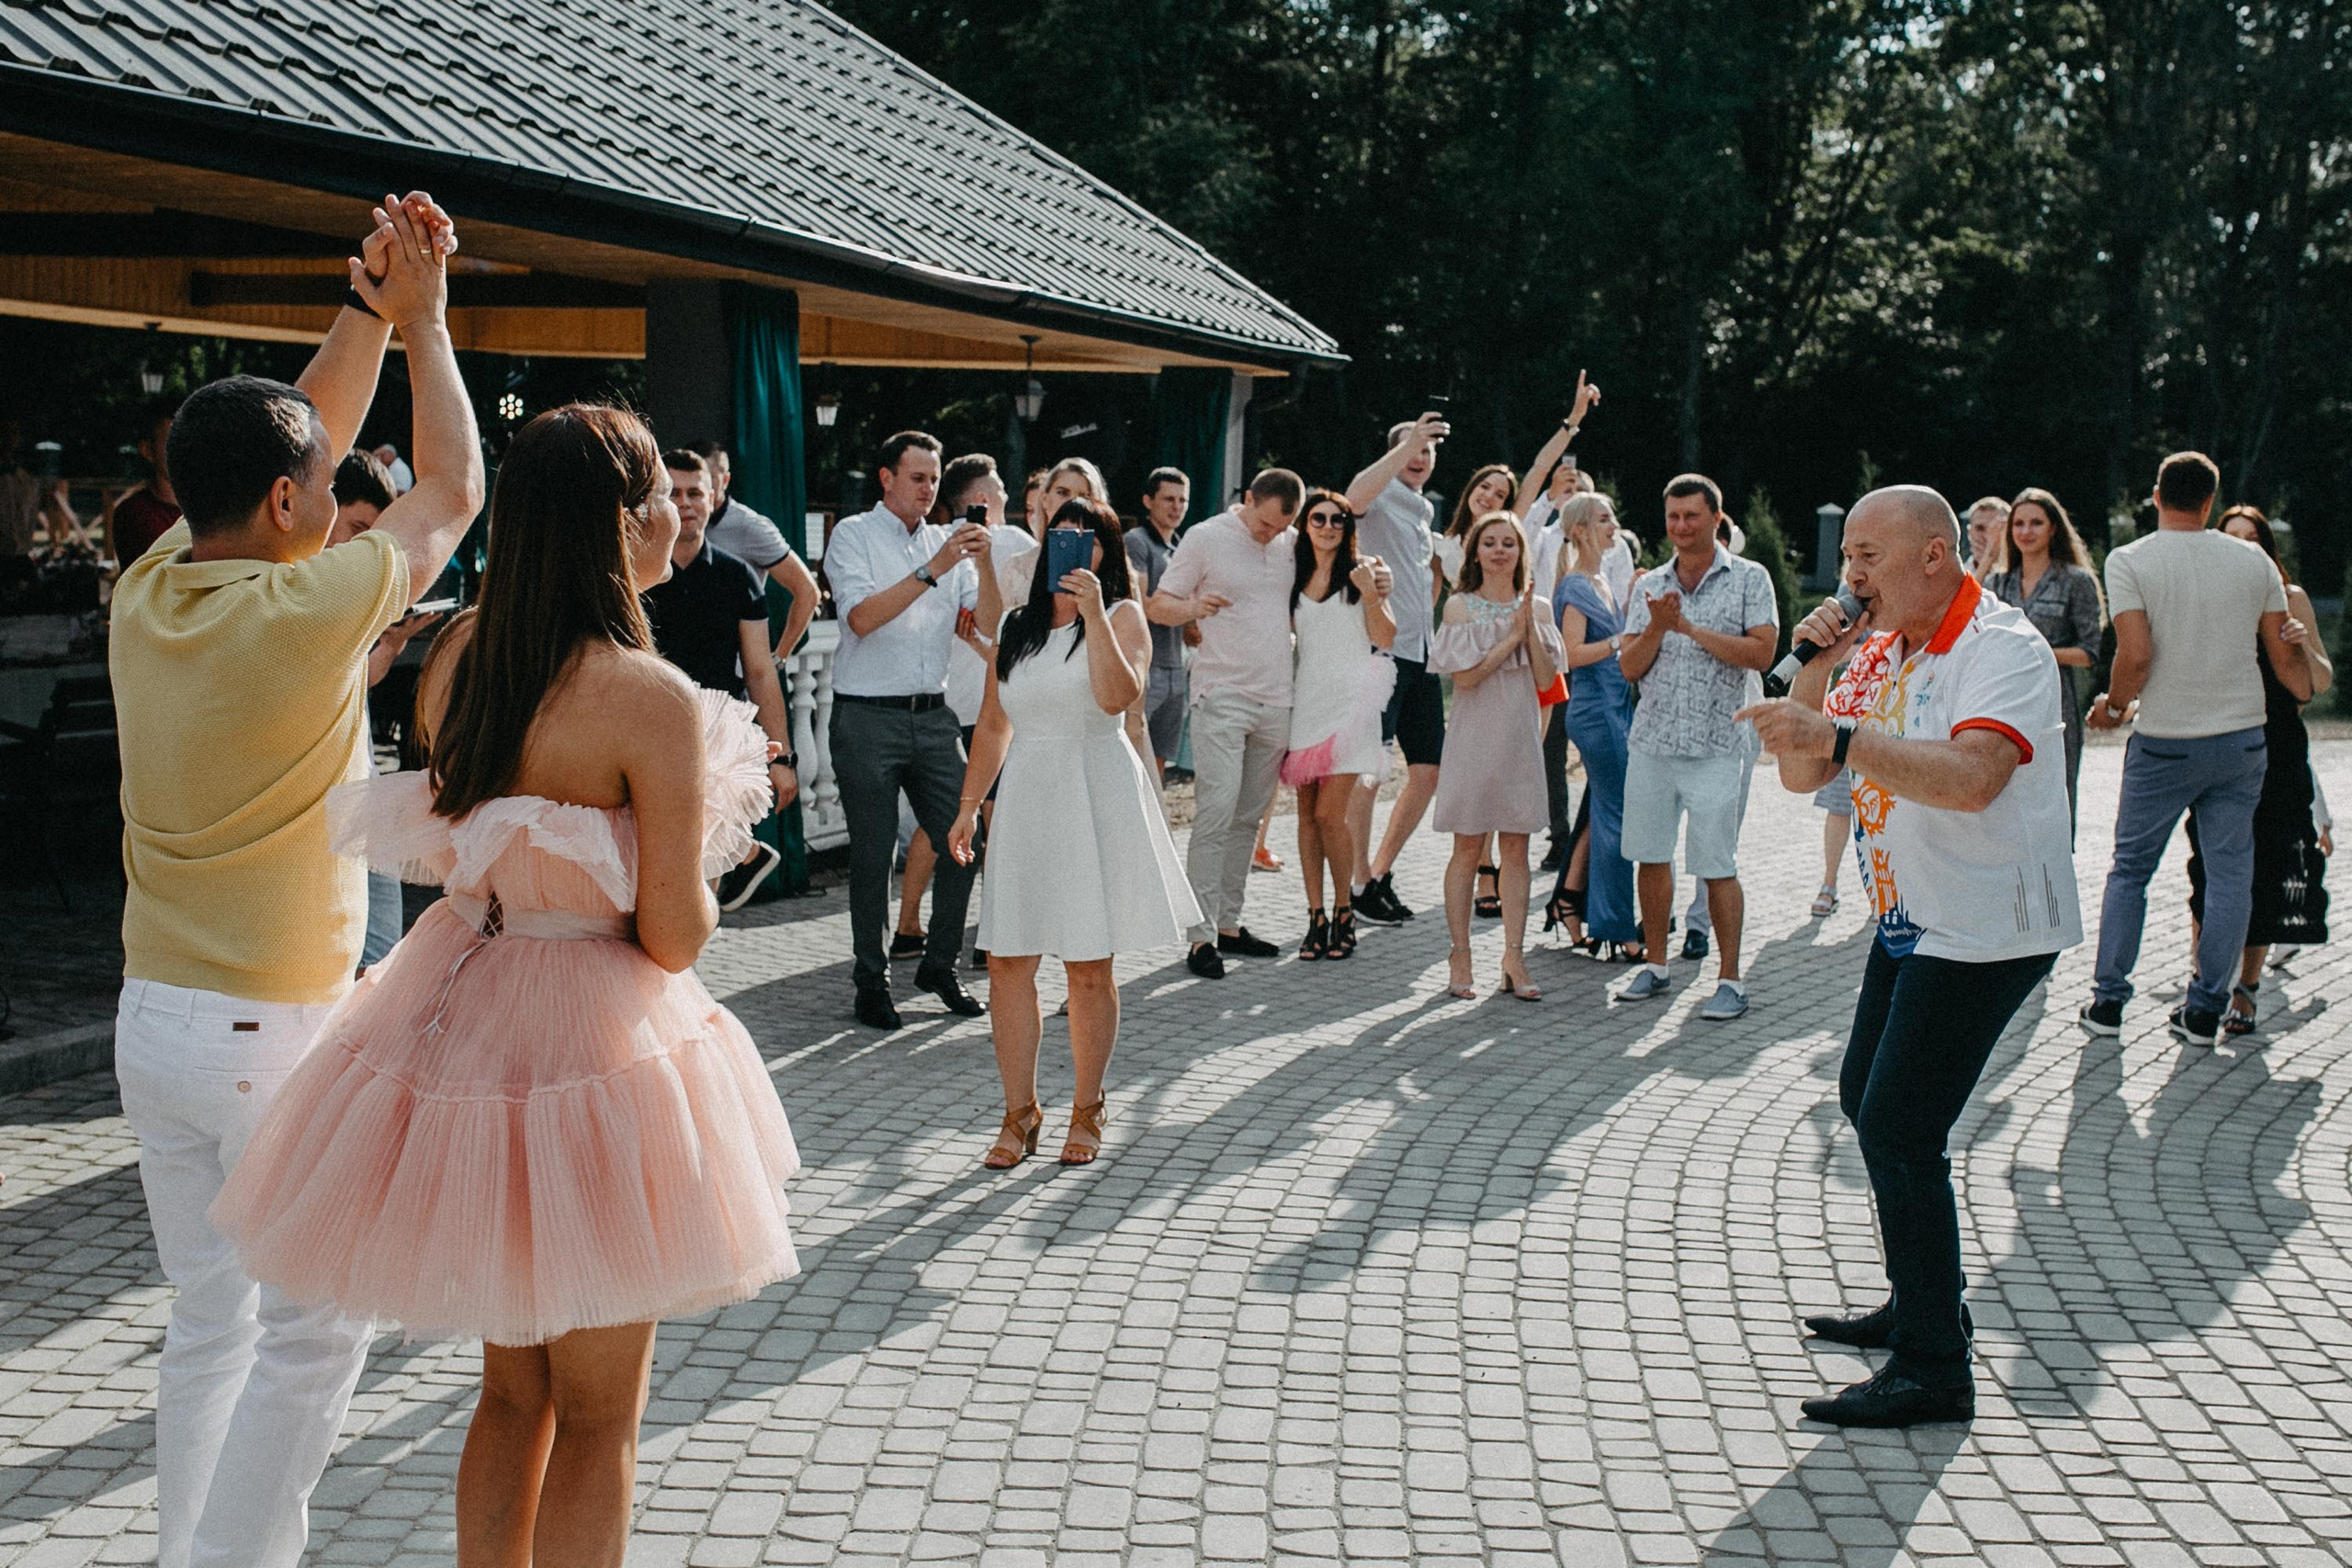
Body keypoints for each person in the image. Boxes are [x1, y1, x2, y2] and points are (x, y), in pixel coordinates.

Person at [213, 403, 797, 1565]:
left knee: (510, 1394)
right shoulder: (649, 695)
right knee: (599, 1417)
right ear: (619, 525)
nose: (676, 520)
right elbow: (675, 937)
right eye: (660, 505)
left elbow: (452, 846)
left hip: (468, 1006)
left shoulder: (463, 654)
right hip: (596, 1034)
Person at [107, 193, 481, 1568]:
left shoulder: (152, 583)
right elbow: (454, 493)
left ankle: (183, 1548)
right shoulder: (309, 608)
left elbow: (295, 432)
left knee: (213, 1318)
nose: (335, 508)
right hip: (273, 1031)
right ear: (284, 505)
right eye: (321, 492)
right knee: (319, 1330)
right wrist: (429, 324)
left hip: (156, 1022)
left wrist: (366, 306)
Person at [1739, 483, 2081, 1428]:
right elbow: (1807, 769)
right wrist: (1812, 672)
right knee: (1865, 1100)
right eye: (1845, 556)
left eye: (1868, 557)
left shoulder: (2001, 649)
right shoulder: (1879, 645)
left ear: (1936, 555)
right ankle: (1919, 1302)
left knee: (1897, 1125)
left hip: (1989, 927)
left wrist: (1842, 734)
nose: (1849, 577)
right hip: (1913, 918)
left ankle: (1935, 1366)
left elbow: (1974, 780)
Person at [949, 498, 1198, 1168]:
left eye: (1084, 538)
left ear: (1105, 551)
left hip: (1093, 792)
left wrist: (1093, 611)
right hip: (1027, 794)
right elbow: (994, 723)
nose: (1069, 547)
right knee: (1007, 958)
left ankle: (1088, 1105)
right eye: (1058, 536)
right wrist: (969, 805)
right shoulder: (1017, 626)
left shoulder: (1122, 617)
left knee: (1087, 963)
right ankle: (1018, 1110)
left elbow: (1120, 698)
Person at [2082, 452, 2312, 1045]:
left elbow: (2134, 656)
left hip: (2165, 740)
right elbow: (2284, 657)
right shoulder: (2252, 560)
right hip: (2240, 738)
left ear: (2157, 495)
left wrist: (2112, 707)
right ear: (2211, 502)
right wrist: (2308, 683)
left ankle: (2108, 1002)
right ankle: (2206, 1008)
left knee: (2131, 868)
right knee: (2231, 870)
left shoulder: (2130, 560)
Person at [826, 430, 989, 1030]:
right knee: (872, 856)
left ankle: (937, 966)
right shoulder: (854, 536)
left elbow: (984, 620)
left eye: (935, 478)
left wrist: (984, 562)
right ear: (887, 478)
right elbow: (862, 617)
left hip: (934, 713)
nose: (928, 489)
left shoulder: (950, 542)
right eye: (917, 477)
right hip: (867, 713)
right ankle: (871, 981)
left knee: (962, 842)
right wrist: (934, 568)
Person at [1612, 474, 1779, 1020]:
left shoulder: (1749, 578)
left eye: (1692, 516)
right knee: (1651, 856)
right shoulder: (1650, 585)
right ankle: (1657, 966)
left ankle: (1730, 979)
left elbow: (1761, 653)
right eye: (1673, 517)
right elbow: (1630, 668)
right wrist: (1659, 628)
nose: (1681, 527)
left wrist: (1687, 628)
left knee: (1717, 864)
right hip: (1655, 742)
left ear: (1715, 518)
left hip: (1716, 744)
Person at [1147, 468, 1306, 978]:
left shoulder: (1291, 542)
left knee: (1248, 816)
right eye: (1264, 525)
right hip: (1221, 693)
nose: (1271, 535)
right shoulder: (1206, 536)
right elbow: (1158, 604)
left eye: (1281, 528)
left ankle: (1230, 925)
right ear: (1249, 501)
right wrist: (1194, 608)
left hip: (1277, 698)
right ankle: (1199, 937)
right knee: (1215, 812)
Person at [2183, 504, 2333, 1035]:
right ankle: (2204, 983)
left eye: (2254, 539)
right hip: (2216, 745)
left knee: (2265, 868)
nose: (2244, 548)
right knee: (2209, 868)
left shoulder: (2288, 600)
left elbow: (2315, 684)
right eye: (2232, 538)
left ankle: (2246, 989)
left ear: (2268, 548)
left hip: (2277, 748)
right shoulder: (2204, 601)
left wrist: (2297, 647)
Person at [646, 448, 802, 908]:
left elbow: (759, 670)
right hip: (650, 728)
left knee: (704, 880)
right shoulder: (635, 573)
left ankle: (692, 966)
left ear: (713, 498)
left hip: (718, 733)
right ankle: (748, 854)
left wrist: (784, 757)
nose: (686, 502)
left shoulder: (739, 577)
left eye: (695, 492)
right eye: (673, 493)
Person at [1430, 512, 1562, 1001]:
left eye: (1509, 542)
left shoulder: (1540, 607)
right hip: (1471, 739)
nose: (1500, 550)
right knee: (1467, 849)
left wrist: (1529, 628)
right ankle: (1459, 951)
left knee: (1517, 851)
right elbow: (1464, 679)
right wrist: (1510, 636)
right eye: (1490, 542)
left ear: (1521, 551)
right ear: (1476, 552)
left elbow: (1548, 680)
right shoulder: (1460, 608)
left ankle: (1513, 953)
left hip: (1520, 739)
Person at [896, 453, 1014, 965]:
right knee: (978, 820)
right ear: (977, 501)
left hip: (969, 703)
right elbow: (988, 628)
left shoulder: (961, 543)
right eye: (994, 492)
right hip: (977, 706)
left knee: (944, 820)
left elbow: (978, 623)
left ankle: (912, 926)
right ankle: (987, 934)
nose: (1002, 498)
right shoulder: (967, 544)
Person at [328, 450, 443, 969]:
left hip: (361, 788)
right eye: (355, 527)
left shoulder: (347, 589)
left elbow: (350, 684)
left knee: (380, 953)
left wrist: (391, 644)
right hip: (329, 801)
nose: (359, 546)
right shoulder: (306, 587)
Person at [1344, 412, 1452, 926]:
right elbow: (1353, 499)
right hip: (1381, 653)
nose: (1420, 457)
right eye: (1412, 448)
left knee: (1429, 770)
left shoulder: (1424, 510)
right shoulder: (1379, 493)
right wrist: (1404, 442)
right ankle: (1357, 880)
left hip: (1422, 655)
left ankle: (1379, 874)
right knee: (1369, 772)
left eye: (1429, 451)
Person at [1279, 491, 1395, 961]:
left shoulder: (1364, 572)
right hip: (1305, 703)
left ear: (1348, 527)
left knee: (1331, 814)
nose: (1328, 526)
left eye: (1338, 520)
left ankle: (1346, 909)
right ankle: (1316, 916)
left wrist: (1371, 592)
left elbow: (1386, 637)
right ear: (1305, 524)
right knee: (1307, 817)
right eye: (1318, 518)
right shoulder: (1292, 575)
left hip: (1352, 707)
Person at [1543, 493, 1641, 960]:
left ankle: (1568, 902)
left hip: (1617, 707)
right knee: (1619, 818)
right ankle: (1619, 929)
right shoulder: (1576, 586)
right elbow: (1569, 655)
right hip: (1595, 713)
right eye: (1604, 518)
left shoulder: (1602, 581)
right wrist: (1620, 641)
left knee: (1601, 813)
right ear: (1579, 530)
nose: (1614, 525)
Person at [1984, 487, 2105, 825]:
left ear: (2054, 528)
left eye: (2036, 523)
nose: (2025, 531)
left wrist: (2035, 650)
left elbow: (2089, 652)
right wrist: (1988, 555)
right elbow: (1966, 618)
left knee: (2057, 794)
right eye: (2018, 524)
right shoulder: (1998, 583)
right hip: (2001, 697)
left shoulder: (2075, 581)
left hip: (2055, 697)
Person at [685, 439, 821, 661]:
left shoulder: (750, 526)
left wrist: (778, 657)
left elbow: (807, 592)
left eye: (707, 478)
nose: (699, 487)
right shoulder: (674, 521)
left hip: (734, 667)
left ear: (725, 480)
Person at [1125, 466, 1194, 777]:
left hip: (1176, 666)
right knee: (1129, 756)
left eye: (1182, 500)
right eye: (1168, 499)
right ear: (1148, 501)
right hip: (1145, 666)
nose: (1176, 506)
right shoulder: (1136, 541)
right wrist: (1197, 607)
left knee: (1158, 763)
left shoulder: (1181, 549)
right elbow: (1144, 606)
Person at [110, 402, 184, 564]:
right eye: (172, 441)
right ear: (147, 451)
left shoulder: (212, 509)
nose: (183, 450)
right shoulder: (136, 514)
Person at [1962, 495, 2007, 581]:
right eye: (1980, 528)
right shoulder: (1956, 575)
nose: (1988, 536)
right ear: (1969, 533)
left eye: (1996, 529)